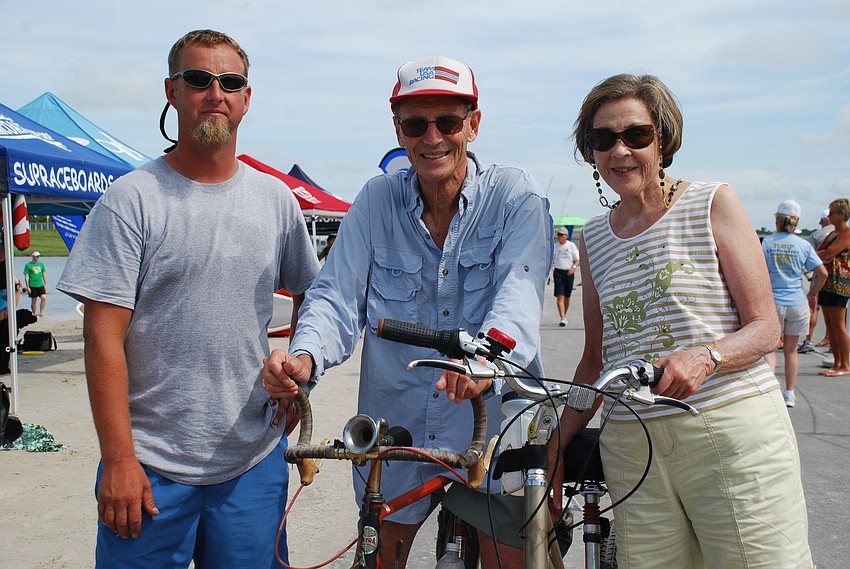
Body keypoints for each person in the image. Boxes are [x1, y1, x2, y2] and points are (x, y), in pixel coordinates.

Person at [261, 55, 552, 567]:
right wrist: (304, 358)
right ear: (399, 131)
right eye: (416, 124)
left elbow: (519, 295)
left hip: (491, 416)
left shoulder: (515, 195)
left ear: (474, 124)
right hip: (397, 422)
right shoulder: (375, 200)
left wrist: (485, 359)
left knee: (510, 557)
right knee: (377, 557)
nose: (432, 137)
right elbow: (335, 298)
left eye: (448, 122)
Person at [56, 29, 319, 568]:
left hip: (251, 462)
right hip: (150, 468)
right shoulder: (132, 200)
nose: (214, 92)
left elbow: (316, 298)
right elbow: (102, 338)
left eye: (230, 81)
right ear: (172, 92)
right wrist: (119, 459)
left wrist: (300, 374)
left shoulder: (275, 202)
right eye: (198, 79)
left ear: (247, 98)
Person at [548, 73, 813, 567]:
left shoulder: (713, 202)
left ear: (664, 138)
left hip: (730, 435)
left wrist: (708, 356)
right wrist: (556, 444)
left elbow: (766, 328)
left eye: (636, 135)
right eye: (603, 139)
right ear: (591, 152)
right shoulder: (595, 239)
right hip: (635, 447)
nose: (620, 150)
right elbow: (594, 360)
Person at [761, 199, 827, 406]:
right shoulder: (803, 245)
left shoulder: (768, 242)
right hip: (797, 301)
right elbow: (822, 272)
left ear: (777, 220)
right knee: (791, 351)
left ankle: (770, 393)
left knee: (769, 350)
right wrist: (813, 293)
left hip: (773, 302)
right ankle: (789, 393)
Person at [815, 198, 850, 376]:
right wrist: (824, 255)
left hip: (839, 283)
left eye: (831, 213)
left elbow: (828, 253)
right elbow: (818, 253)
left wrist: (824, 255)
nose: (829, 216)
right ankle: (837, 363)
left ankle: (845, 364)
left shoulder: (846, 233)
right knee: (830, 325)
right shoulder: (832, 234)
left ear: (842, 215)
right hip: (828, 283)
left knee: (838, 325)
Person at [800, 208, 835, 352]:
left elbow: (808, 258)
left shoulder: (816, 235)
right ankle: (831, 340)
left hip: (819, 274)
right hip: (837, 278)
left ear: (823, 219)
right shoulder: (841, 233)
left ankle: (809, 340)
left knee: (815, 308)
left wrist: (808, 276)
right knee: (835, 313)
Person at [551, 226, 580, 326]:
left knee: (567, 296)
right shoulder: (555, 246)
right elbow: (552, 260)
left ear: (566, 236)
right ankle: (562, 317)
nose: (559, 237)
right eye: (558, 235)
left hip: (569, 272)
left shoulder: (571, 245)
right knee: (560, 296)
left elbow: (577, 259)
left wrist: (574, 267)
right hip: (558, 272)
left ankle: (565, 314)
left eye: (561, 235)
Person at [23, 251, 46, 317]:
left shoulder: (41, 264)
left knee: (43, 298)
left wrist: (45, 284)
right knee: (34, 300)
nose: (38, 257)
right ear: (33, 257)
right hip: (32, 285)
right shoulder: (28, 265)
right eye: (37, 256)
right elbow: (26, 276)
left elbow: (44, 274)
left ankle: (41, 312)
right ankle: (34, 313)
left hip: (40, 284)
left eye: (38, 256)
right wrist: (28, 287)